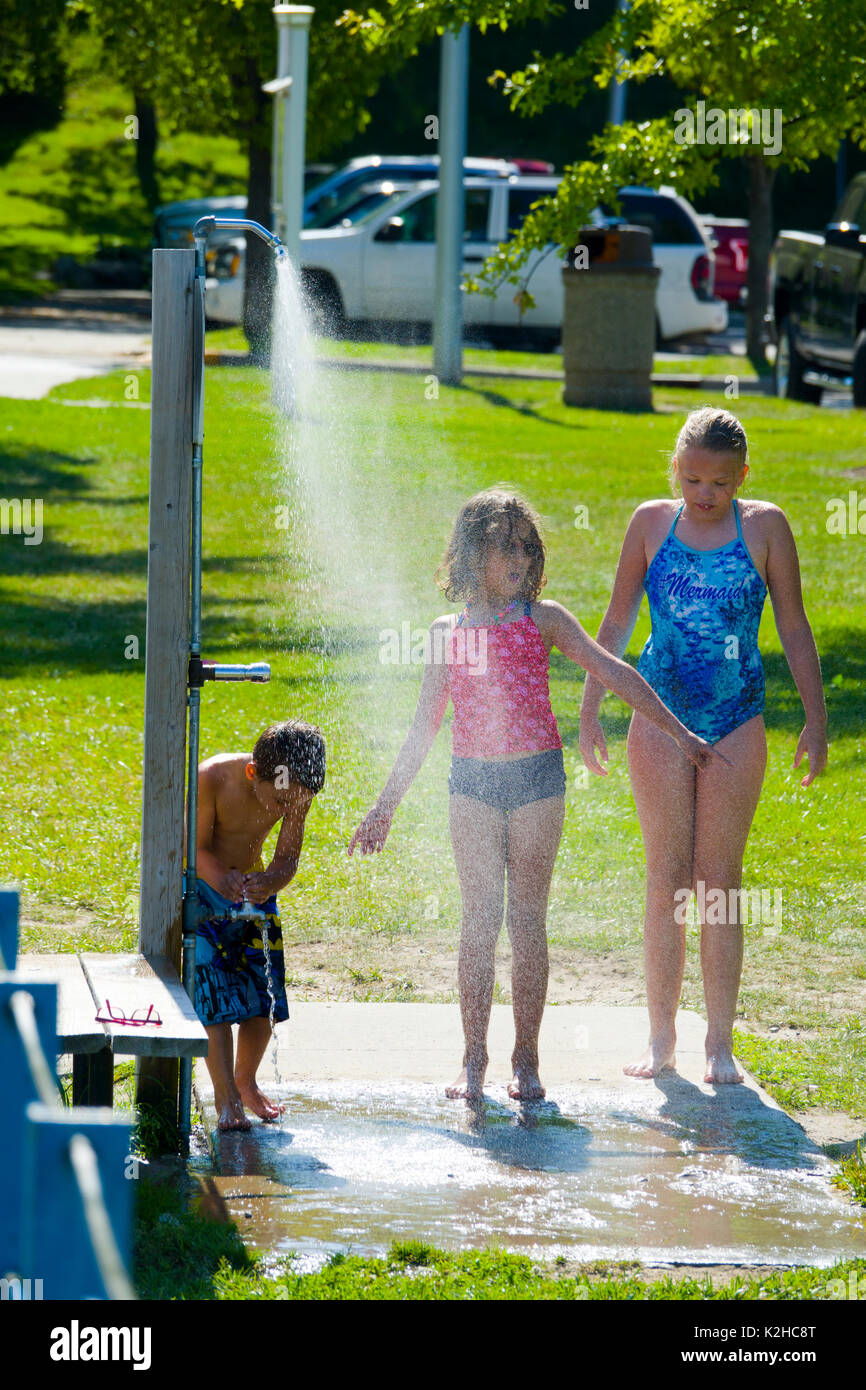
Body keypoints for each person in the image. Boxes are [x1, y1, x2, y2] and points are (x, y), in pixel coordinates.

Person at [348, 488, 727, 1102]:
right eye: (505, 548)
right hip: (471, 784)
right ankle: (473, 1060)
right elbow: (424, 726)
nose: (519, 560)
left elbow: (613, 670)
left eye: (527, 548)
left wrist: (679, 733)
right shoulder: (449, 633)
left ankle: (526, 1057)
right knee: (478, 923)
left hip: (536, 783)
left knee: (526, 921)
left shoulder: (542, 619)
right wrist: (385, 806)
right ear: (473, 554)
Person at [579, 406, 828, 1084]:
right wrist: (591, 707)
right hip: (659, 717)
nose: (704, 494)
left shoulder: (767, 529)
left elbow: (796, 627)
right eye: (691, 479)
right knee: (667, 878)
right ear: (676, 471)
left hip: (736, 720)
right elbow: (618, 617)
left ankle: (719, 1042)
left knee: (719, 882)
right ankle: (661, 1039)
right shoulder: (651, 524)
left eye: (719, 482)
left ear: (743, 476)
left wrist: (816, 717)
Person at [190, 719, 326, 1131]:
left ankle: (246, 1082)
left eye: (295, 804)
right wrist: (220, 878)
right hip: (204, 894)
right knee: (212, 994)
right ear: (253, 773)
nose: (287, 810)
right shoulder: (213, 779)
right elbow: (191, 847)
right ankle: (225, 1094)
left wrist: (271, 881)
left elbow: (286, 859)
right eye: (281, 802)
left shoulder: (294, 790)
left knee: (264, 996)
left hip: (254, 893)